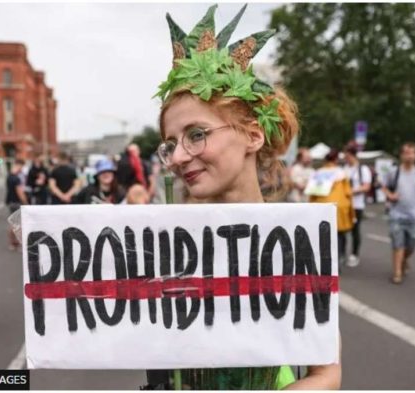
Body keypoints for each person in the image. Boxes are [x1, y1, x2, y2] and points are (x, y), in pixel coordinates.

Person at [154, 5, 340, 388]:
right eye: (170, 143)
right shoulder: (159, 240)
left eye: (196, 134)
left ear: (253, 136)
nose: (177, 156)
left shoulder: (294, 241)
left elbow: (326, 374)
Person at [382, 142, 415, 284]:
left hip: (414, 215)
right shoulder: (394, 171)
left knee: (412, 244)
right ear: (401, 155)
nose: (409, 156)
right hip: (396, 214)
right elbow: (383, 186)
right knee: (398, 245)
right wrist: (390, 195)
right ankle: (397, 273)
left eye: (412, 153)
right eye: (406, 153)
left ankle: (404, 259)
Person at [343, 141, 371, 267]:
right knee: (341, 230)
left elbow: (366, 187)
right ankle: (342, 253)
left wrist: (351, 190)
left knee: (355, 230)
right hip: (344, 204)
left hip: (357, 205)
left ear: (353, 155)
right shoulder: (344, 169)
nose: (346, 158)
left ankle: (354, 254)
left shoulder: (363, 169)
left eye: (347, 156)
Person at [6, 159, 28, 250]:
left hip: (10, 201)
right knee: (18, 224)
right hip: (17, 202)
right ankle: (17, 243)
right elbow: (20, 193)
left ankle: (12, 243)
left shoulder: (9, 176)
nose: (22, 169)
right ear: (18, 165)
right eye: (21, 167)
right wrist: (26, 203)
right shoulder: (16, 178)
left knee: (12, 223)